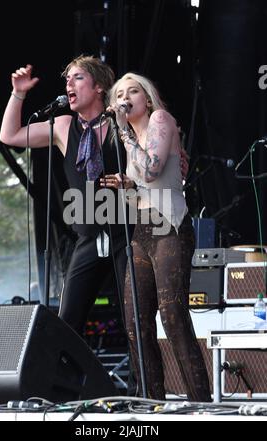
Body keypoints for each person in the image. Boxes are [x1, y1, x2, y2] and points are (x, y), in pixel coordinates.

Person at [0, 55, 135, 337]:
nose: (69, 84)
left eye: (78, 77)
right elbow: (10, 135)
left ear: (99, 87)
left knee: (135, 322)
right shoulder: (63, 126)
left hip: (127, 234)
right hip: (87, 237)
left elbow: (156, 160)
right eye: (67, 79)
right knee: (67, 323)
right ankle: (63, 381)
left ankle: (145, 382)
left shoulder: (123, 123)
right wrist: (18, 93)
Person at [106, 72, 211, 402]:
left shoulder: (159, 119)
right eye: (119, 93)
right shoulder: (130, 136)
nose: (125, 97)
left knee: (173, 315)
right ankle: (151, 401)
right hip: (143, 230)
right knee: (135, 319)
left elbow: (151, 171)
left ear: (146, 98)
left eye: (133, 91)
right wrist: (125, 186)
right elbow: (141, 188)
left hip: (170, 226)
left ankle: (200, 402)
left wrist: (123, 130)